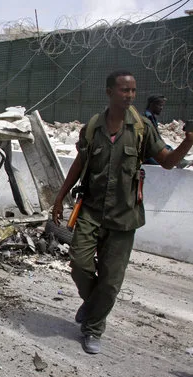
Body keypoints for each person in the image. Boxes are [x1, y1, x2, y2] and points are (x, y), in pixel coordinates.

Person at [51, 70, 193, 355]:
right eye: (124, 90)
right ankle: (93, 306)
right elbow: (80, 162)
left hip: (124, 216)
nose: (129, 95)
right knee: (79, 264)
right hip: (91, 211)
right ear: (109, 92)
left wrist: (188, 143)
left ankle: (92, 328)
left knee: (111, 280)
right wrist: (60, 196)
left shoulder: (142, 128)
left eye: (133, 90)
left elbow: (166, 161)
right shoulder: (92, 127)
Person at [143, 95, 170, 165]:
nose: (161, 108)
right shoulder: (147, 119)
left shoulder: (152, 117)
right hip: (149, 153)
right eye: (160, 105)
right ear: (152, 105)